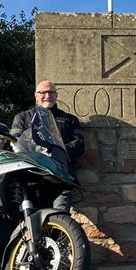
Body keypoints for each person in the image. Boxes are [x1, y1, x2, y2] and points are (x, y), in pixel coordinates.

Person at [11, 80, 84, 211]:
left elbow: (79, 144)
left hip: (60, 176)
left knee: (61, 215)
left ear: (57, 95)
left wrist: (57, 151)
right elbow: (14, 142)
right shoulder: (22, 117)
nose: (47, 95)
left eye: (51, 92)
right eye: (42, 92)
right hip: (31, 175)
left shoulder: (70, 119)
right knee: (29, 218)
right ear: (36, 95)